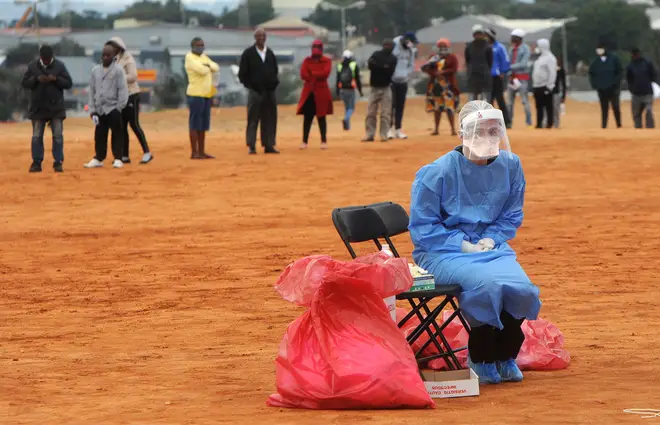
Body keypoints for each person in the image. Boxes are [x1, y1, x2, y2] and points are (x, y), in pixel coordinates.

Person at [408, 100, 541, 385]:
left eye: (494, 131)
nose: (488, 138)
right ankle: (481, 356)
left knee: (523, 290)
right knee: (487, 286)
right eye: (479, 131)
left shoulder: (511, 165)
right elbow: (423, 228)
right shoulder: (436, 172)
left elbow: (511, 213)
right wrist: (463, 245)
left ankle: (505, 354)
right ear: (462, 134)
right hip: (442, 251)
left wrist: (492, 238)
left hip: (491, 248)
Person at [20, 44, 72, 173]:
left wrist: (56, 79)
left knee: (58, 136)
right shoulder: (33, 66)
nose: (46, 62)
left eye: (48, 60)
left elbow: (68, 83)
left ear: (52, 57)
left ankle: (58, 162)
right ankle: (37, 162)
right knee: (37, 136)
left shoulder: (60, 66)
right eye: (44, 59)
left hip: (56, 108)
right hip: (38, 108)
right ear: (41, 57)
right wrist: (36, 80)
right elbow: (25, 83)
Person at [106, 37, 153, 164]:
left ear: (119, 47)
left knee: (134, 124)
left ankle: (147, 152)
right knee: (122, 126)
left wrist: (118, 77)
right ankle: (124, 155)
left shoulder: (128, 58)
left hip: (132, 94)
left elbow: (133, 76)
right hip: (120, 97)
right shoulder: (113, 59)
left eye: (114, 47)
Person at [84, 44, 129, 169]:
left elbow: (123, 90)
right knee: (99, 134)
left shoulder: (118, 70)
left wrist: (119, 107)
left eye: (108, 55)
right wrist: (92, 111)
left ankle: (118, 158)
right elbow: (92, 91)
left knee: (117, 133)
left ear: (113, 56)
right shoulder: (95, 71)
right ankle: (99, 157)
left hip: (113, 108)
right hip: (99, 109)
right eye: (103, 55)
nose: (105, 57)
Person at [239, 28, 280, 155]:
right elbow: (242, 74)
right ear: (255, 38)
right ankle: (251, 145)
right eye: (259, 36)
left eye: (263, 36)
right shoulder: (248, 53)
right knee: (253, 119)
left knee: (270, 118)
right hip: (255, 92)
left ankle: (269, 145)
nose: (261, 38)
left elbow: (275, 70)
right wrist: (251, 86)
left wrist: (273, 84)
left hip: (269, 92)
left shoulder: (270, 53)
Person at [185, 37, 219, 159]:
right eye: (198, 45)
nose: (201, 47)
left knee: (203, 125)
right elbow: (202, 70)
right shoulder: (189, 57)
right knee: (195, 124)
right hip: (195, 94)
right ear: (193, 46)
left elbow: (216, 67)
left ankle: (202, 151)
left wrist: (208, 65)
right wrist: (208, 67)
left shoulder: (204, 57)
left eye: (202, 45)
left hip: (206, 95)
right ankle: (194, 152)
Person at [297, 40, 333, 150]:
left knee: (321, 117)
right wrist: (317, 74)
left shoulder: (326, 61)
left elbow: (325, 73)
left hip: (321, 92)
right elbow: (303, 74)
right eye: (314, 46)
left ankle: (323, 140)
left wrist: (312, 73)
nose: (316, 49)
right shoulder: (307, 61)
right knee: (307, 118)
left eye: (318, 47)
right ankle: (304, 141)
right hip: (309, 92)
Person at [421, 38, 459, 136]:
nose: (443, 48)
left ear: (448, 47)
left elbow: (454, 69)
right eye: (441, 46)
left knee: (449, 108)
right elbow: (427, 69)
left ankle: (453, 129)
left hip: (448, 86)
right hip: (436, 86)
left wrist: (443, 72)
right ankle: (436, 129)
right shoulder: (433, 57)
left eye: (444, 46)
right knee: (437, 108)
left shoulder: (452, 57)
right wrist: (435, 73)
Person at [362, 39, 397, 142]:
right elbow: (370, 65)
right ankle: (369, 134)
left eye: (389, 45)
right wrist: (384, 67)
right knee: (370, 112)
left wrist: (379, 67)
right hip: (374, 87)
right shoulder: (376, 54)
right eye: (386, 45)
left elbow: (389, 71)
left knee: (386, 113)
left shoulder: (393, 58)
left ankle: (384, 134)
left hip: (386, 87)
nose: (388, 47)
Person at [388, 31, 418, 139]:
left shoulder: (410, 50)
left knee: (400, 106)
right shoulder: (394, 45)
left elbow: (411, 64)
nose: (412, 44)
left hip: (403, 81)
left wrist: (406, 75)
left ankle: (398, 129)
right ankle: (389, 129)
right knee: (391, 106)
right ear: (405, 40)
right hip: (392, 81)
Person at [589, 42, 623, 129]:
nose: (599, 50)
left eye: (600, 48)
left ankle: (618, 124)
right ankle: (604, 126)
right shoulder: (595, 62)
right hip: (601, 89)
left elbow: (619, 72)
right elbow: (591, 74)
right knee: (604, 108)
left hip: (613, 88)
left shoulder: (614, 59)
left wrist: (616, 84)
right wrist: (595, 84)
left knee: (615, 107)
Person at [485, 28, 511, 127]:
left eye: (487, 35)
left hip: (497, 76)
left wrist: (503, 71)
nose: (485, 37)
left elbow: (505, 60)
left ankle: (507, 122)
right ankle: (490, 123)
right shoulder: (485, 47)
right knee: (489, 100)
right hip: (487, 77)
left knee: (500, 99)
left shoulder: (499, 47)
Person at [507, 29, 532, 128]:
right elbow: (508, 62)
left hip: (522, 78)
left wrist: (509, 67)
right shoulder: (511, 49)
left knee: (524, 101)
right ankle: (509, 122)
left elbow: (523, 64)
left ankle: (528, 122)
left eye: (513, 37)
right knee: (509, 103)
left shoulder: (526, 48)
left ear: (518, 38)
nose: (511, 39)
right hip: (512, 78)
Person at [626, 47, 657, 129]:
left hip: (647, 92)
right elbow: (629, 79)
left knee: (648, 110)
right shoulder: (630, 66)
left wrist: (655, 84)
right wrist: (631, 89)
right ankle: (638, 129)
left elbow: (654, 75)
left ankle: (650, 128)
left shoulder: (647, 63)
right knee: (636, 114)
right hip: (636, 94)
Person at [531, 39, 557, 129]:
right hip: (537, 86)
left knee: (548, 106)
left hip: (545, 86)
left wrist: (550, 85)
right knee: (539, 107)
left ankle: (549, 124)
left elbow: (552, 73)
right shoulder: (539, 58)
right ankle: (539, 124)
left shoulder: (550, 58)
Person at [336, 50, 363, 130]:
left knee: (347, 107)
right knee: (351, 108)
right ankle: (346, 119)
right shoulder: (354, 65)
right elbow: (357, 79)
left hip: (342, 89)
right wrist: (360, 91)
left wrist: (337, 90)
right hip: (350, 89)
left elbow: (337, 79)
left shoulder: (339, 66)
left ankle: (347, 127)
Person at [464, 25, 493, 101]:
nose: (478, 35)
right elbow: (467, 60)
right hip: (473, 76)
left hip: (484, 76)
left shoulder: (488, 47)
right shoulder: (469, 47)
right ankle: (473, 113)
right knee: (472, 100)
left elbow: (490, 62)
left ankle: (485, 113)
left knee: (485, 100)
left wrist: (485, 70)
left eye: (480, 33)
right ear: (473, 35)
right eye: (476, 33)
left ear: (483, 34)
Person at [552, 59, 567, 128]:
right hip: (548, 91)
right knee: (547, 109)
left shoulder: (561, 71)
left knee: (556, 109)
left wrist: (563, 95)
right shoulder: (550, 69)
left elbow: (563, 83)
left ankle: (556, 124)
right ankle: (547, 122)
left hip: (556, 92)